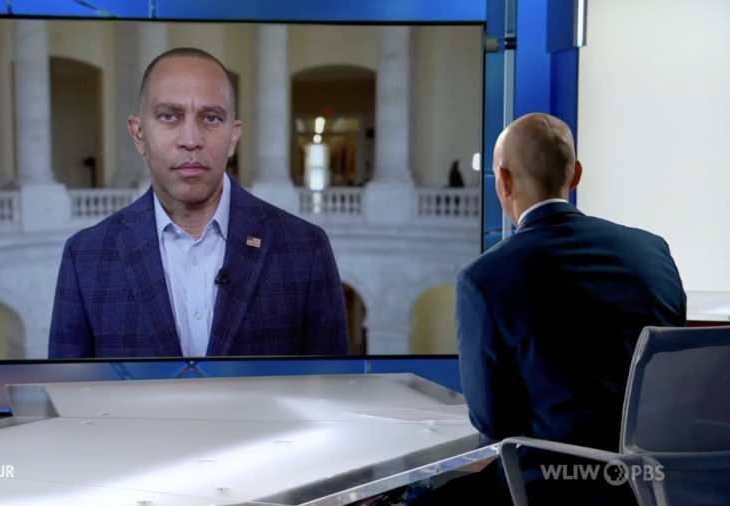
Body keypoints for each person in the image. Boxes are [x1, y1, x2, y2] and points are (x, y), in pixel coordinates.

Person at [417, 113, 686, 505]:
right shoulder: (654, 252)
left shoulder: (485, 277)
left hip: (548, 486)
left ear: (504, 182)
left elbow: (493, 421)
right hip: (651, 486)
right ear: (575, 175)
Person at [48, 47, 350, 359]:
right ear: (138, 134)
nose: (191, 139)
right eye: (169, 116)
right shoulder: (85, 257)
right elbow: (67, 397)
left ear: (233, 137)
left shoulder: (306, 249)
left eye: (210, 118)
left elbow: (330, 395)